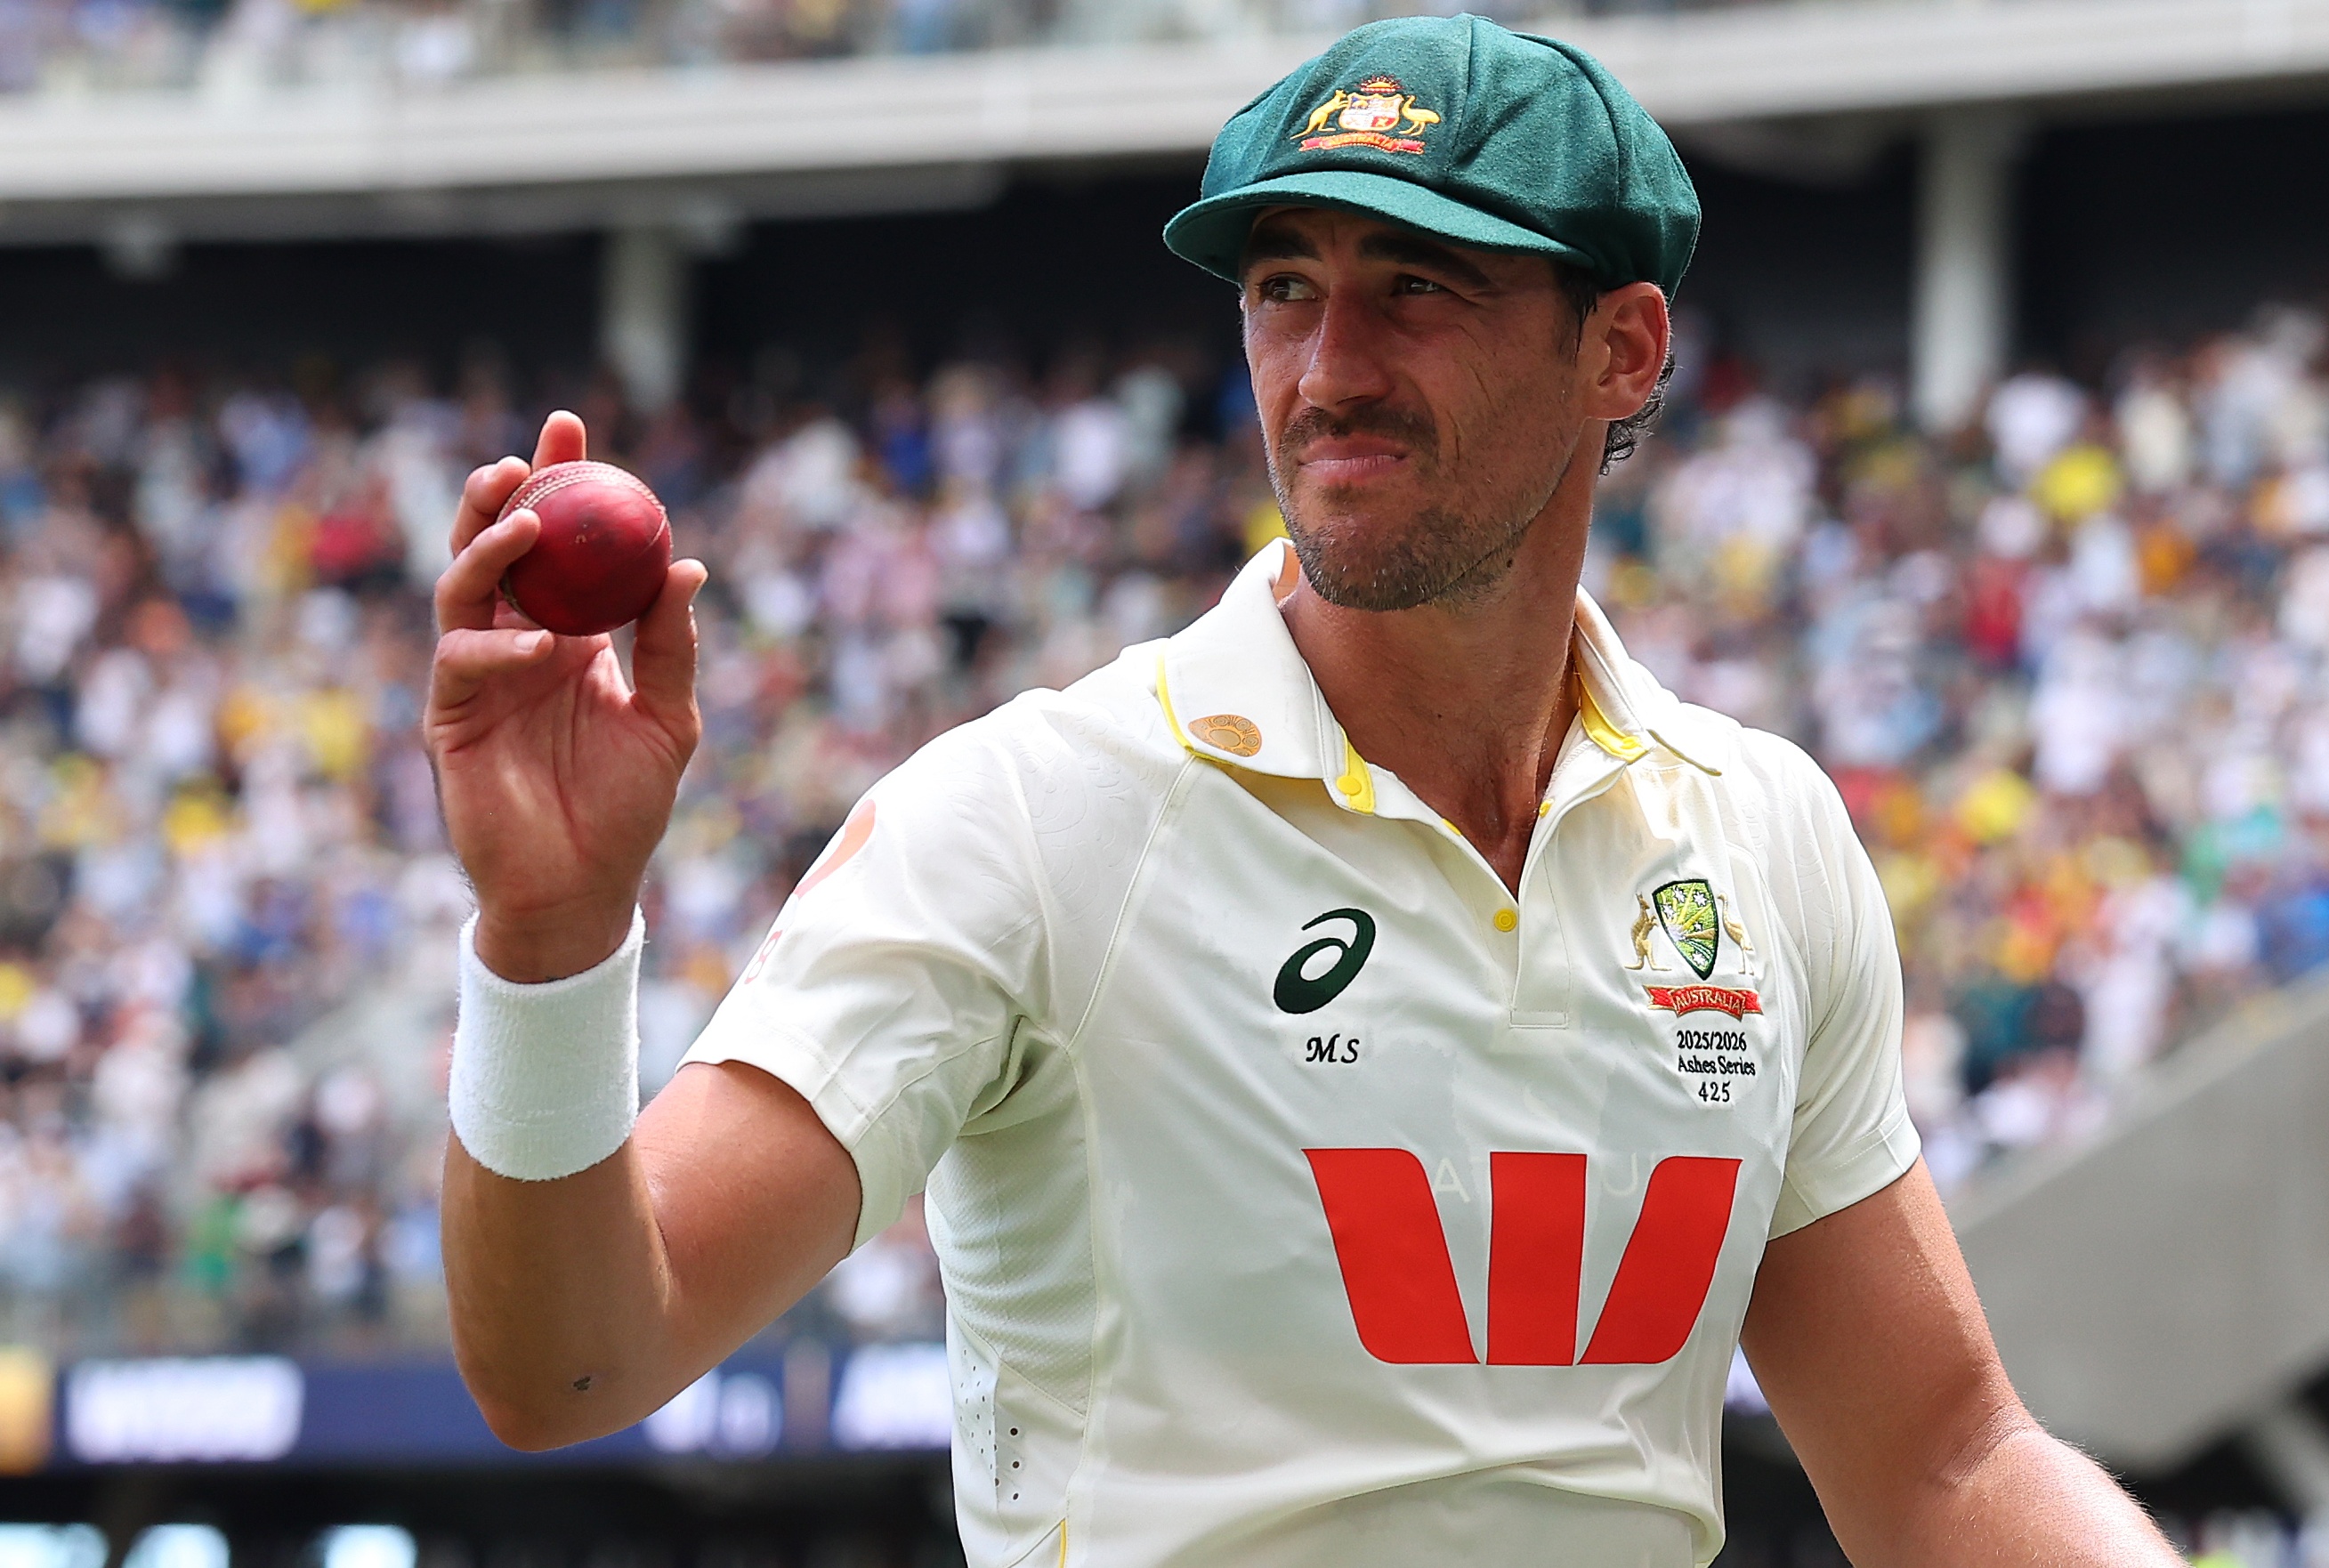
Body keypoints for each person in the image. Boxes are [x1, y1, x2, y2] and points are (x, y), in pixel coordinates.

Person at [428, 16, 2181, 1564]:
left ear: (1623, 349)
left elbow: (1945, 1461)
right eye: (1284, 287)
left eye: (1418, 282)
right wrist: (551, 938)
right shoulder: (1036, 810)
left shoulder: (1760, 826)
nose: (1329, 364)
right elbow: (577, 1354)